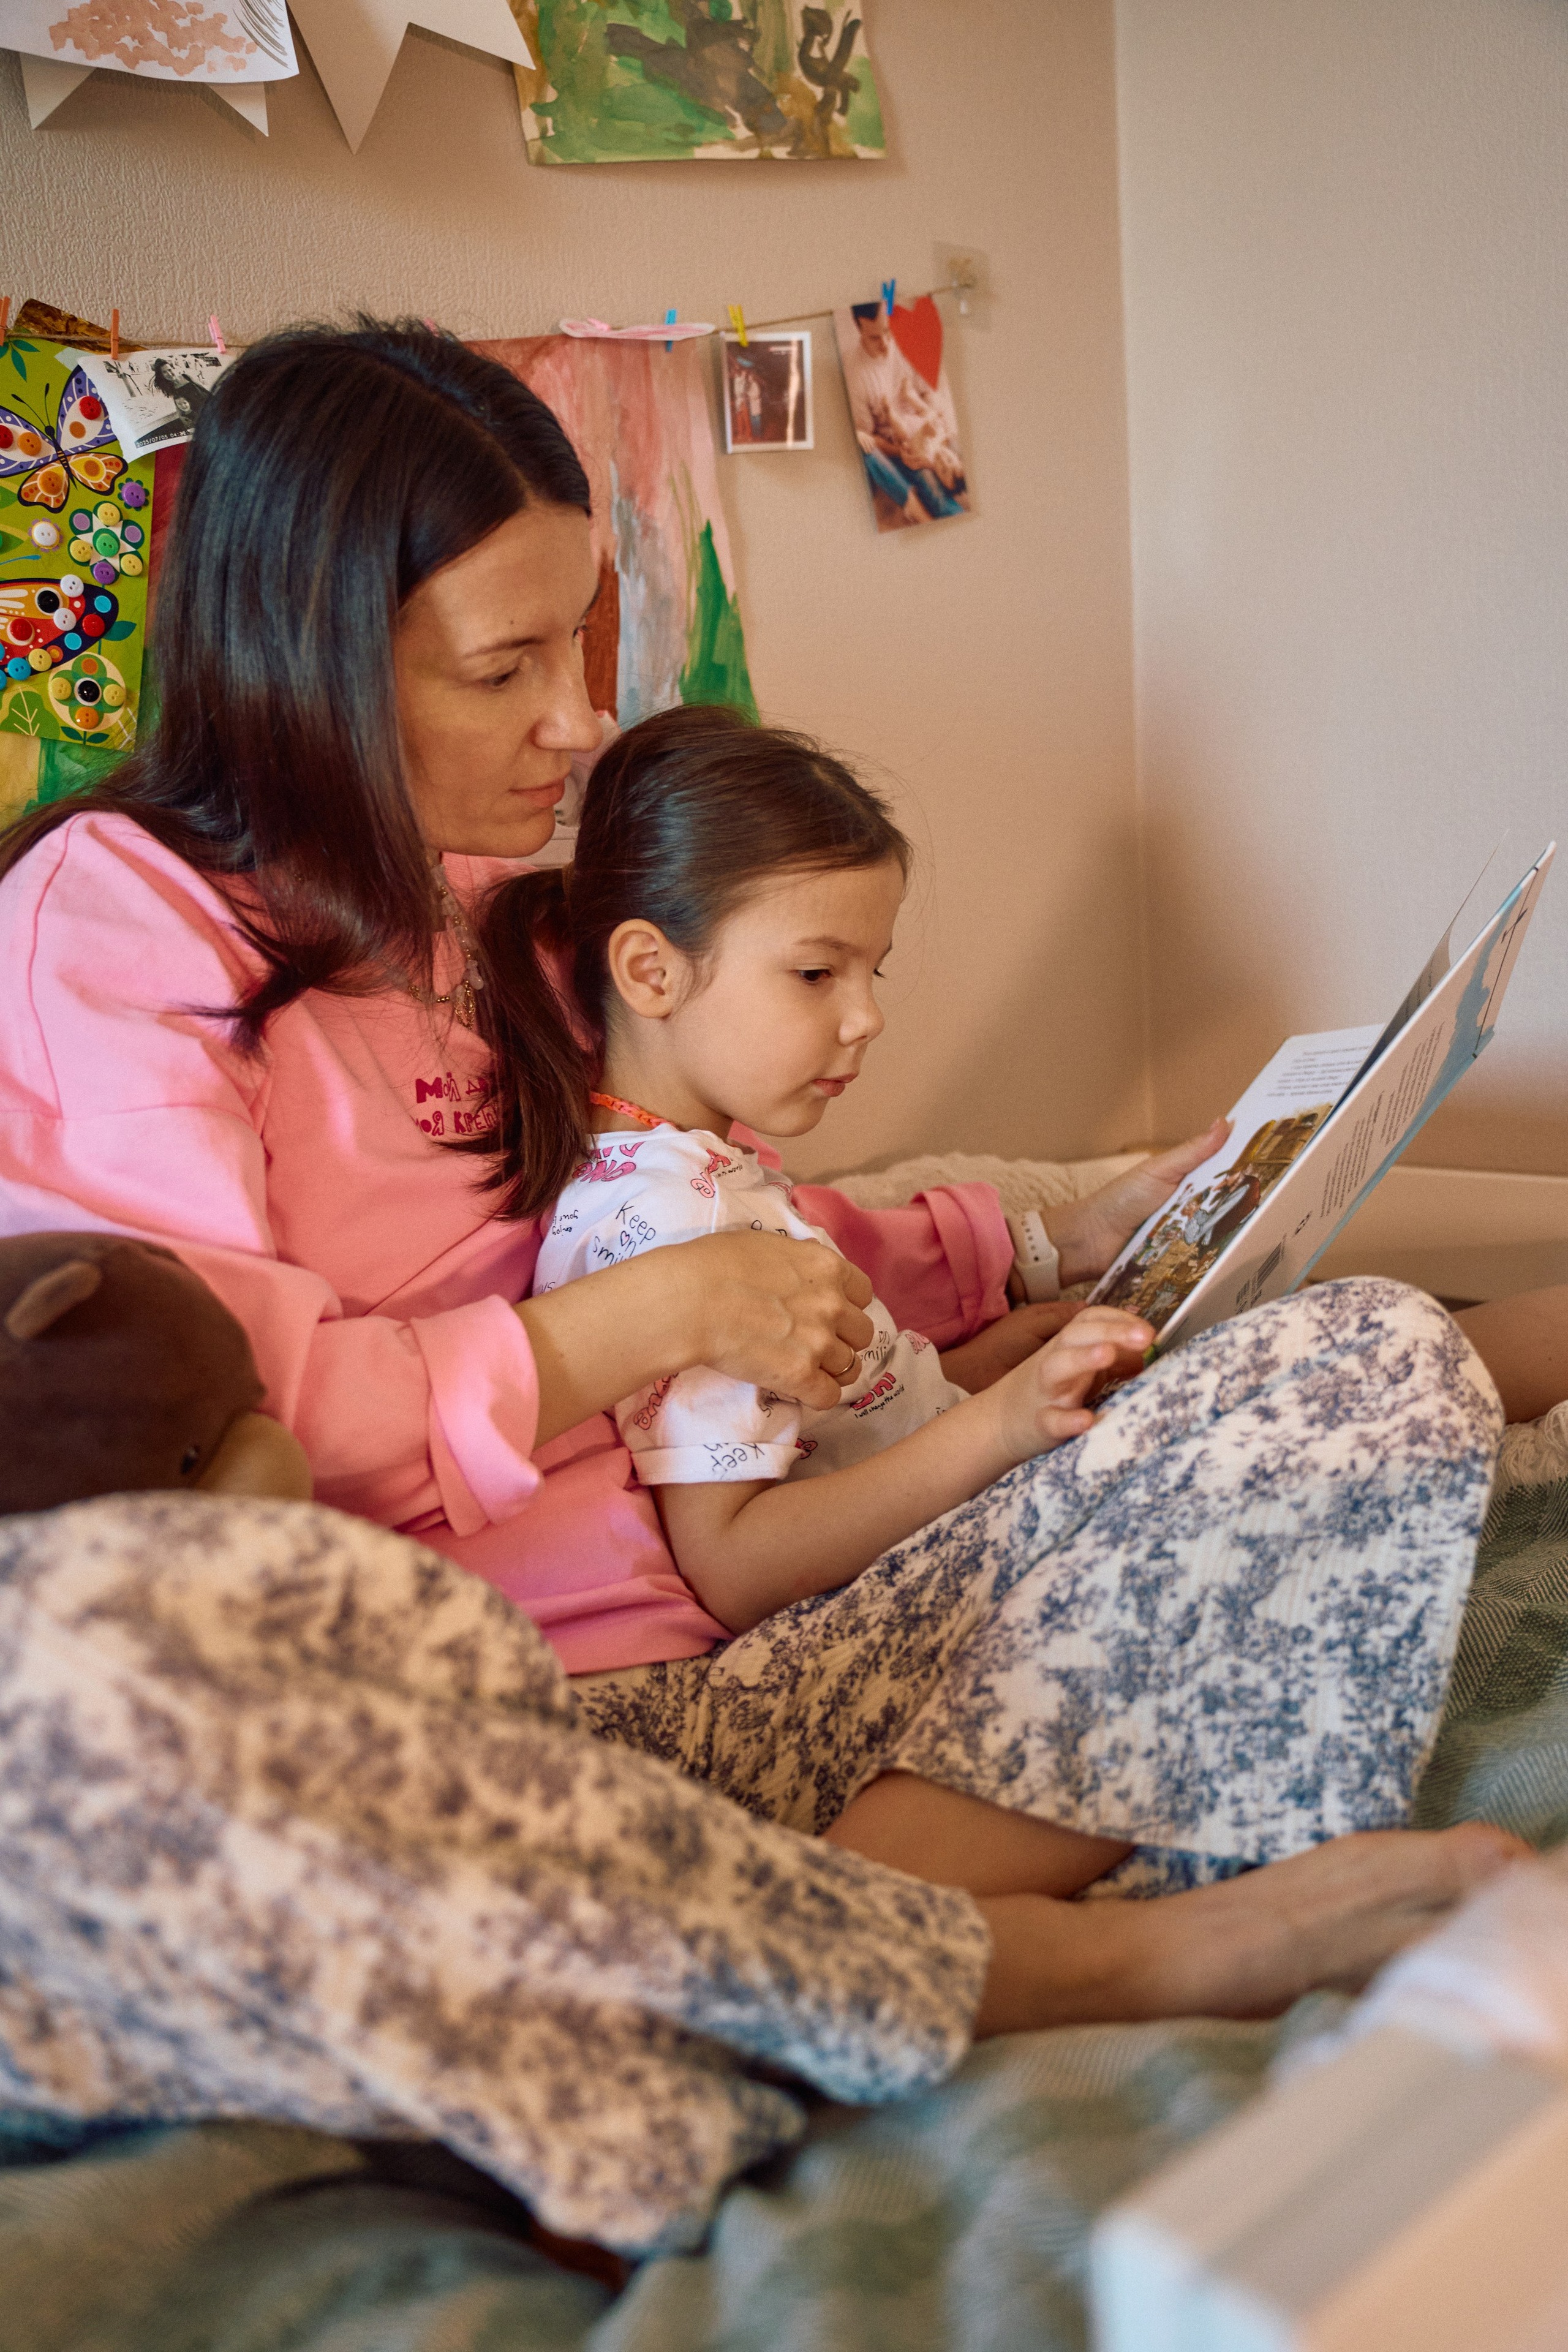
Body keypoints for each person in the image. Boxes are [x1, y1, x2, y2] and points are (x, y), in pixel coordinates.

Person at [0, 320, 1536, 2055]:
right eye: (504, 668)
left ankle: (846, 1933)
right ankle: (966, 1954)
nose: (578, 725)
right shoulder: (117, 931)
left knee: (1353, 1362)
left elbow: (702, 1199)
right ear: (307, 658)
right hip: (516, 1715)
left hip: (746, 1655)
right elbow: (209, 1421)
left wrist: (1041, 1231)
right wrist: (637, 1325)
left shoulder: (467, 911)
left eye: (578, 642)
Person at [524, 704, 1153, 1635]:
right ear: (651, 973)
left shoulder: (699, 1171)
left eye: (874, 974)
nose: (866, 1019)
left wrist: (968, 1379)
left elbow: (813, 1433)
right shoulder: (664, 1217)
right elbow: (733, 1564)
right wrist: (999, 1426)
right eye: (818, 975)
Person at [839, 302, 967, 523]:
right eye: (875, 338)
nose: (887, 345)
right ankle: (921, 509)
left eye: (887, 331)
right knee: (934, 492)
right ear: (859, 329)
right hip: (900, 445)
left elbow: (928, 393)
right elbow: (868, 438)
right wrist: (907, 452)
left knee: (960, 459)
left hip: (926, 427)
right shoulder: (855, 373)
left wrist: (936, 421)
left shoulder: (906, 342)